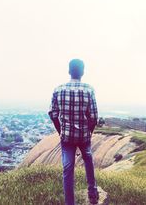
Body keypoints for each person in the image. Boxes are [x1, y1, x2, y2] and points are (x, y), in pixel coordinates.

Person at [48, 59, 99, 205]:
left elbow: (53, 114)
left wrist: (61, 131)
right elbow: (94, 117)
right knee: (88, 159)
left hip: (66, 138)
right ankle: (92, 193)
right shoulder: (89, 89)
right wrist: (89, 133)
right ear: (83, 72)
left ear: (69, 71)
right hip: (84, 137)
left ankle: (70, 203)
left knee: (68, 168)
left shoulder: (59, 89)